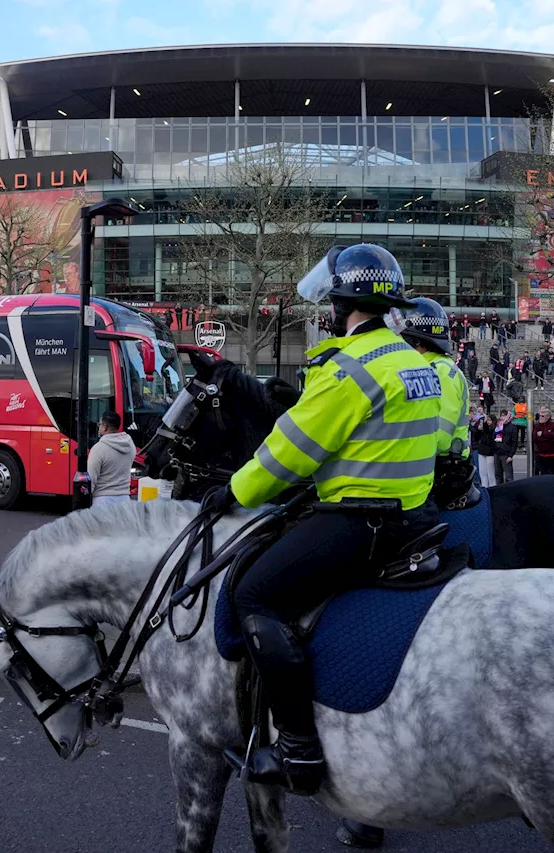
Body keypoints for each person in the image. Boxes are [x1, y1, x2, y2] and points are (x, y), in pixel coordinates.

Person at [204, 243, 441, 796]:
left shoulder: (348, 369)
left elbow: (289, 453)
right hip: (413, 513)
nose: (327, 308)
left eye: (332, 298)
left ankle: (298, 752)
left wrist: (232, 492)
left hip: (362, 522)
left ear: (348, 301)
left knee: (253, 596)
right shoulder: (412, 359)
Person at [398, 297, 477, 510]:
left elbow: (439, 438)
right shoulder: (425, 367)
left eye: (401, 340)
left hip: (442, 472)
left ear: (416, 341)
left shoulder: (441, 371)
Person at [88, 411, 136, 506]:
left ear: (105, 427)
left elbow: (91, 479)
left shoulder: (98, 449)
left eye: (100, 424)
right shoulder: (130, 444)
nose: (99, 427)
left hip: (102, 502)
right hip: (125, 500)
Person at [532, 407, 554, 475]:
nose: (540, 417)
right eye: (539, 415)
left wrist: (542, 434)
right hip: (541, 455)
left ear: (548, 416)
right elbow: (535, 438)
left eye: (542, 416)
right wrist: (548, 437)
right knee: (543, 475)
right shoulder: (536, 426)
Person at [473, 410, 498, 488]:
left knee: (490, 473)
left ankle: (492, 487)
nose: (488, 422)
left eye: (490, 420)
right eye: (488, 420)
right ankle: (484, 487)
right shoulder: (483, 427)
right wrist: (480, 426)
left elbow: (489, 432)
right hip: (481, 451)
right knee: (482, 472)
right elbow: (476, 435)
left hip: (490, 452)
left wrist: (485, 422)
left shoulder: (494, 428)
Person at [493, 409, 518, 484]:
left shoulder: (512, 428)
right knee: (498, 474)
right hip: (497, 452)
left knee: (508, 477)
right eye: (501, 415)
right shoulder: (498, 426)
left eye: (504, 415)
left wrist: (511, 455)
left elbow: (514, 443)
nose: (502, 417)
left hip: (506, 454)